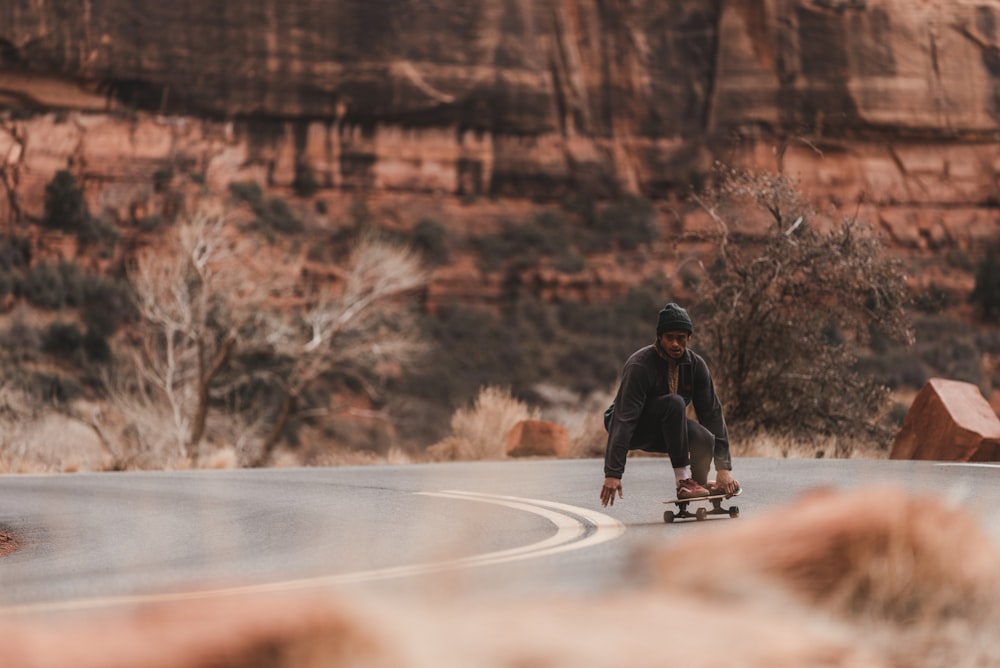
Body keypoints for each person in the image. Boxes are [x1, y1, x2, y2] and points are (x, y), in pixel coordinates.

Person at [599, 302, 739, 508]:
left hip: (668, 427)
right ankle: (683, 481)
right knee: (674, 403)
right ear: (659, 337)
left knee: (704, 437)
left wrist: (723, 469)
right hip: (635, 428)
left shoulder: (696, 365)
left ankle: (697, 484)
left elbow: (712, 415)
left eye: (681, 338)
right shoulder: (640, 365)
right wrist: (613, 473)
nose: (675, 344)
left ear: (689, 338)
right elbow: (624, 419)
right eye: (669, 338)